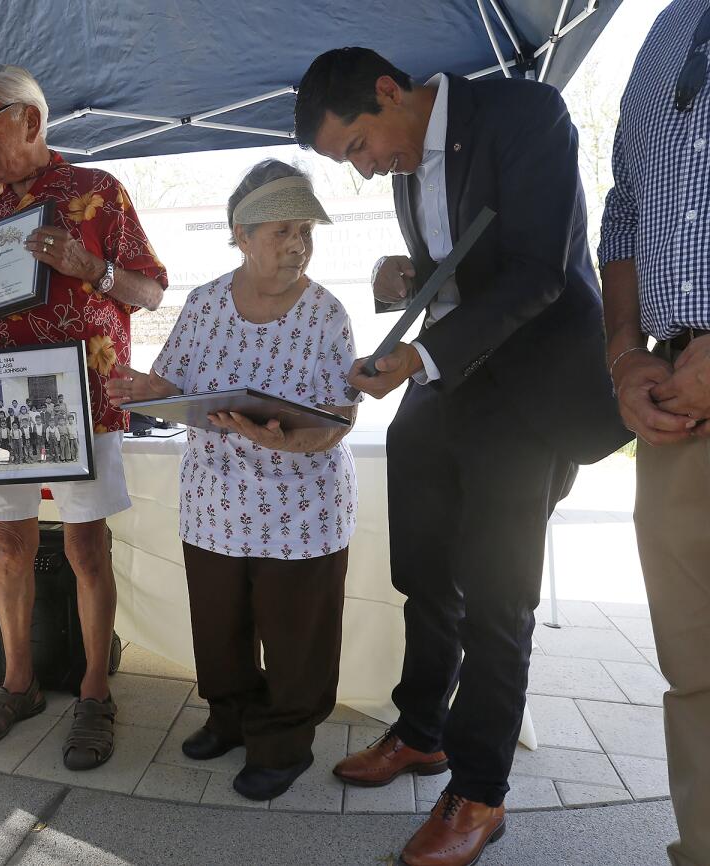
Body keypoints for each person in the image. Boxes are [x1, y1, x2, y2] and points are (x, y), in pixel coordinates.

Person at [295, 49, 628, 865]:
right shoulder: (411, 159)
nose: (368, 172)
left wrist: (418, 355)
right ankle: (422, 732)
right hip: (447, 394)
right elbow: (465, 268)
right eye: (352, 163)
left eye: (358, 149)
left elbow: (539, 273)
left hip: (529, 394)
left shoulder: (525, 115)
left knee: (497, 598)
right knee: (421, 571)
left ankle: (479, 795)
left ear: (387, 92)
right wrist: (406, 281)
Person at [108, 160, 356, 799]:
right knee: (219, 626)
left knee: (297, 634)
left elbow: (338, 418)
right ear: (241, 236)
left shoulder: (327, 314)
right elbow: (173, 383)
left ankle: (283, 742)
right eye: (282, 230)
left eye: (305, 230)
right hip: (215, 503)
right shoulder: (205, 303)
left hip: (301, 510)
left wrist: (289, 438)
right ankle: (230, 716)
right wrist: (145, 390)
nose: (298, 243)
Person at [0, 65, 166, 769]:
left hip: (86, 398)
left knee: (84, 549)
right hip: (0, 403)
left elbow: (151, 291)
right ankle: (18, 686)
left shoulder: (97, 191)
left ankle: (95, 693)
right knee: (8, 546)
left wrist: (86, 264)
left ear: (30, 119)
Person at [599, 4, 710, 863]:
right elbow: (626, 211)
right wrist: (626, 356)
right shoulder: (663, 31)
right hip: (674, 403)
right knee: (698, 668)